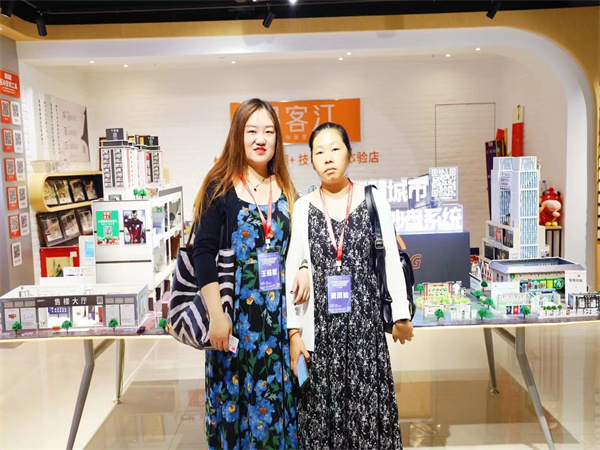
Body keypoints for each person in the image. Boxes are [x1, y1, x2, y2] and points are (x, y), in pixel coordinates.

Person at [285, 122, 414, 450]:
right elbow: (293, 270)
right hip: (322, 334)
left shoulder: (372, 199)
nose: (328, 157)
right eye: (319, 152)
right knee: (323, 415)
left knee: (365, 412)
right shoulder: (303, 208)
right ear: (311, 161)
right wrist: (294, 333)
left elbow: (390, 259)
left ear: (350, 155)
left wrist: (401, 314)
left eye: (335, 149)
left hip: (365, 331)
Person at [192, 98, 307, 449]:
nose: (261, 139)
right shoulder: (219, 187)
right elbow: (202, 253)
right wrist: (217, 316)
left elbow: (300, 245)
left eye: (269, 131)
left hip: (278, 325)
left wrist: (304, 267)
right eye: (252, 130)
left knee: (277, 413)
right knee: (237, 414)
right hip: (235, 326)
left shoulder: (286, 188)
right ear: (238, 136)